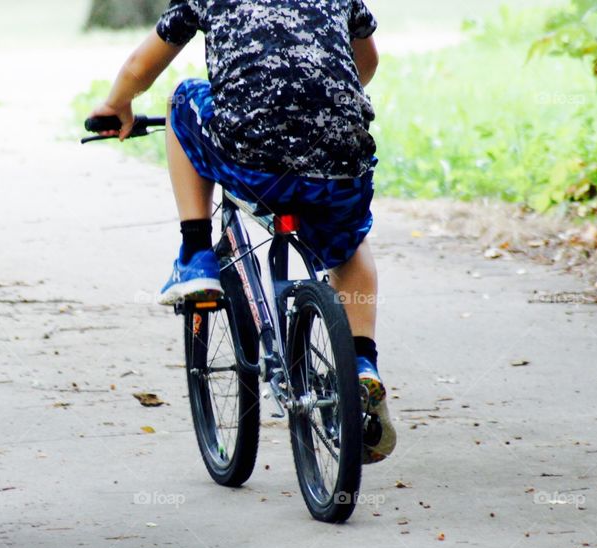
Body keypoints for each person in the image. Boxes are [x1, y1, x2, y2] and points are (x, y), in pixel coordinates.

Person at [89, 0, 395, 463]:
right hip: (340, 159)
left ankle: (195, 253)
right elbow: (366, 62)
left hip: (252, 159)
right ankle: (361, 362)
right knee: (349, 247)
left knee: (181, 101)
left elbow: (141, 64)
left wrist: (116, 105)